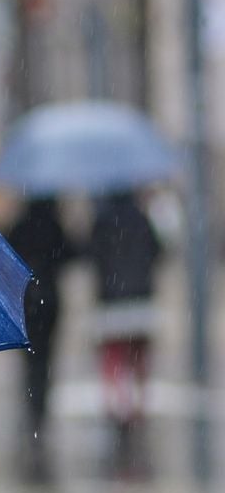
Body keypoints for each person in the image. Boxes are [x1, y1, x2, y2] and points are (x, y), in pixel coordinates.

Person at [4, 197, 76, 476]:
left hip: (26, 303)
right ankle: (40, 408)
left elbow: (5, 254)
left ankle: (32, 407)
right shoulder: (55, 226)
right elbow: (71, 255)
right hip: (50, 301)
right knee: (46, 358)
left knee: (29, 360)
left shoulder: (20, 226)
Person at [88, 190, 162, 451]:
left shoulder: (102, 222)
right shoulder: (142, 219)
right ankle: (139, 405)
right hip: (140, 296)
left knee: (114, 354)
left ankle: (116, 405)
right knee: (138, 354)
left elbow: (93, 255)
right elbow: (158, 251)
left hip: (111, 298)